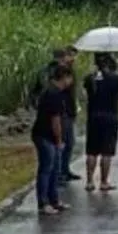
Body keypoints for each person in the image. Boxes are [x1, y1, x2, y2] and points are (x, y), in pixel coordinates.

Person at [31, 64, 74, 215]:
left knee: (55, 169)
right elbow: (55, 120)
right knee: (46, 169)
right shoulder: (53, 94)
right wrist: (59, 139)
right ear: (65, 77)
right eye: (70, 78)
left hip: (47, 135)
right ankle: (43, 203)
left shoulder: (54, 92)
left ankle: (54, 200)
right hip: (45, 135)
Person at [83, 53, 118, 191]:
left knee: (92, 151)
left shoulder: (90, 78)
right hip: (110, 117)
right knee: (106, 152)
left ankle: (89, 181)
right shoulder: (115, 78)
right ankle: (104, 181)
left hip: (93, 117)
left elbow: (86, 93)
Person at [57, 46, 81, 185]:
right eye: (71, 56)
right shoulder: (60, 72)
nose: (73, 59)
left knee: (70, 142)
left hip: (70, 110)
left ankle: (65, 169)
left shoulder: (71, 70)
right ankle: (59, 173)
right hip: (63, 111)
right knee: (63, 142)